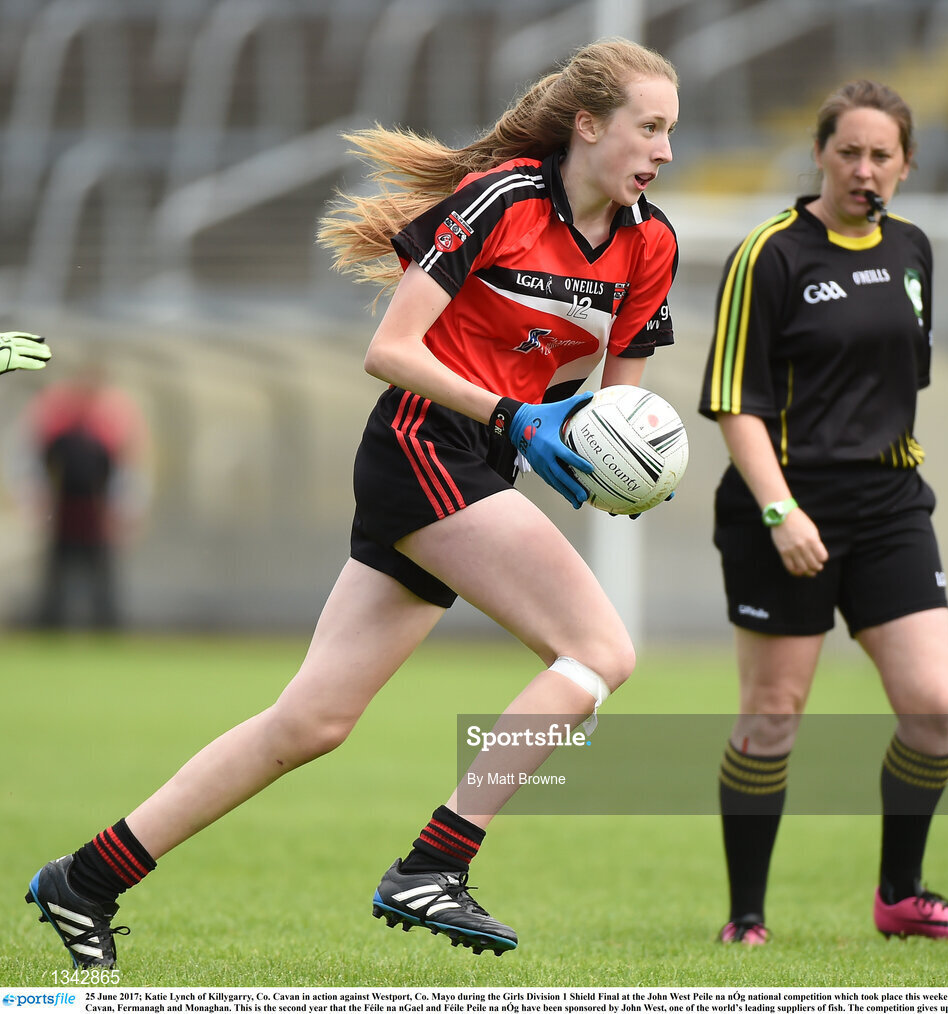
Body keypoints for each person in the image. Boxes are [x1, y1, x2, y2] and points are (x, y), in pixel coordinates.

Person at [26, 38, 681, 968]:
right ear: (587, 124)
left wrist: (614, 460)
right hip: (420, 442)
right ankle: (434, 864)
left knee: (311, 723)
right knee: (599, 652)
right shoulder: (502, 201)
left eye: (670, 133)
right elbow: (390, 349)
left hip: (485, 457)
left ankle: (84, 878)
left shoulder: (649, 241)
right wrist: (516, 412)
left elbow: (618, 406)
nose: (661, 151)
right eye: (647, 128)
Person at [698, 79, 948, 945]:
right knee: (771, 716)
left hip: (890, 504)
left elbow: (895, 386)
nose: (864, 169)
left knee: (934, 709)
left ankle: (900, 896)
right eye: (849, 152)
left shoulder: (912, 249)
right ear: (819, 154)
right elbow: (731, 401)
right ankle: (744, 917)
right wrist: (782, 510)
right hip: (781, 505)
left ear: (904, 164)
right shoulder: (771, 254)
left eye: (882, 155)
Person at [25, 364, 149, 629]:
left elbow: (122, 474)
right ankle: (50, 626)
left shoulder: (111, 423)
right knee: (58, 576)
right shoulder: (59, 422)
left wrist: (123, 512)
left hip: (96, 513)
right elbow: (42, 468)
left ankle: (106, 628)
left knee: (101, 578)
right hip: (66, 512)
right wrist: (38, 505)